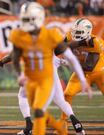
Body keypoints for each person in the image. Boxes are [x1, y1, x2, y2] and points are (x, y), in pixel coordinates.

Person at [9, 2, 91, 135]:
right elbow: (15, 56)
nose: (27, 22)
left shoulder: (51, 35)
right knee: (42, 104)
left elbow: (70, 57)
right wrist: (20, 74)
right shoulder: (18, 35)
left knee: (39, 111)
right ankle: (68, 126)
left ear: (39, 18)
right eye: (25, 18)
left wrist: (82, 79)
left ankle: (33, 127)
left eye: (31, 18)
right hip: (30, 77)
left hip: (46, 78)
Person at [0, 55, 86, 135]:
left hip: (35, 72)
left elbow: (13, 54)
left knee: (23, 96)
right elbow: (63, 56)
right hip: (51, 72)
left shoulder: (28, 41)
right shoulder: (50, 42)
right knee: (60, 101)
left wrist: (1, 62)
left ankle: (29, 125)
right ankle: (76, 124)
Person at [61, 18, 104, 121]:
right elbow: (60, 48)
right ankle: (63, 121)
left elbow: (89, 67)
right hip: (82, 72)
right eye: (75, 31)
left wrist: (69, 63)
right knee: (67, 94)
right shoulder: (69, 36)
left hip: (99, 72)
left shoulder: (96, 42)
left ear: (87, 32)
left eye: (79, 32)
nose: (76, 34)